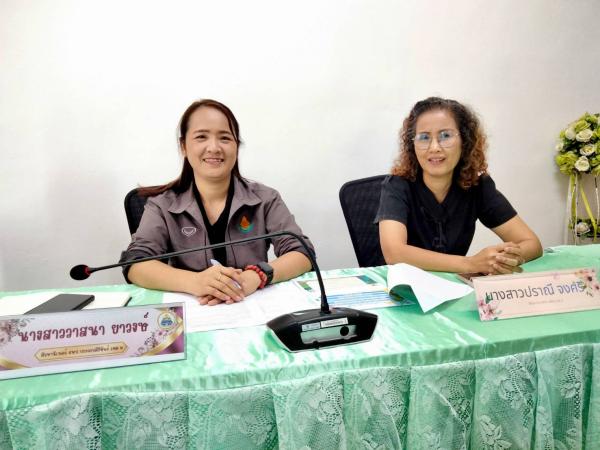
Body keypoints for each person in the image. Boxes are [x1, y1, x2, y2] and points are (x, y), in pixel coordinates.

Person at [120, 99, 313, 305]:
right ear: (183, 146)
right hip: (194, 309)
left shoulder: (265, 198)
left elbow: (302, 252)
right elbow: (136, 264)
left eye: (225, 138)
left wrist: (256, 276)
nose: (214, 147)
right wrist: (196, 282)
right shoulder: (161, 205)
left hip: (250, 306)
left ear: (236, 147)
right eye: (201, 137)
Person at [376, 97, 542, 275]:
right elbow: (394, 253)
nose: (434, 147)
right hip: (402, 285)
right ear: (412, 145)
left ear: (465, 140)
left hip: (453, 285)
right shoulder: (397, 185)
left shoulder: (478, 186)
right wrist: (471, 264)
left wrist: (501, 259)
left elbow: (532, 243)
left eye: (445, 136)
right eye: (424, 137)